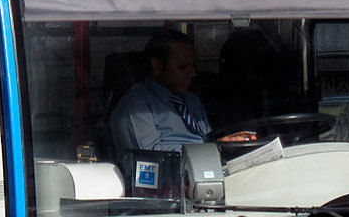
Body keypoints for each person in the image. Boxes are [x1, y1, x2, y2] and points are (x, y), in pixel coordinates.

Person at [110, 28, 256, 155]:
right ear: (158, 66)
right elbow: (151, 159)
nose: (193, 73)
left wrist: (229, 144)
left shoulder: (191, 100)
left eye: (193, 65)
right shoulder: (136, 107)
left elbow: (206, 138)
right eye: (183, 67)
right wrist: (214, 148)